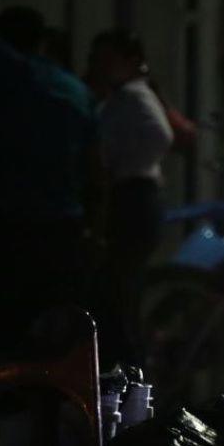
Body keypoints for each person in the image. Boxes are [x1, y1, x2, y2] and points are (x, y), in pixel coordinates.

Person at [0, 3, 98, 351]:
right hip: (66, 224)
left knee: (0, 319)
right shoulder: (79, 92)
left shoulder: (18, 73)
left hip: (18, 221)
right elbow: (96, 166)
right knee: (52, 326)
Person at [87, 28, 174, 368]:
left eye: (108, 59)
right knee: (119, 295)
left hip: (134, 197)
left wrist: (125, 163)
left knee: (120, 296)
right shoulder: (122, 96)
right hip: (132, 197)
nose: (101, 66)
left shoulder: (134, 94)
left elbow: (161, 136)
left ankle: (129, 373)